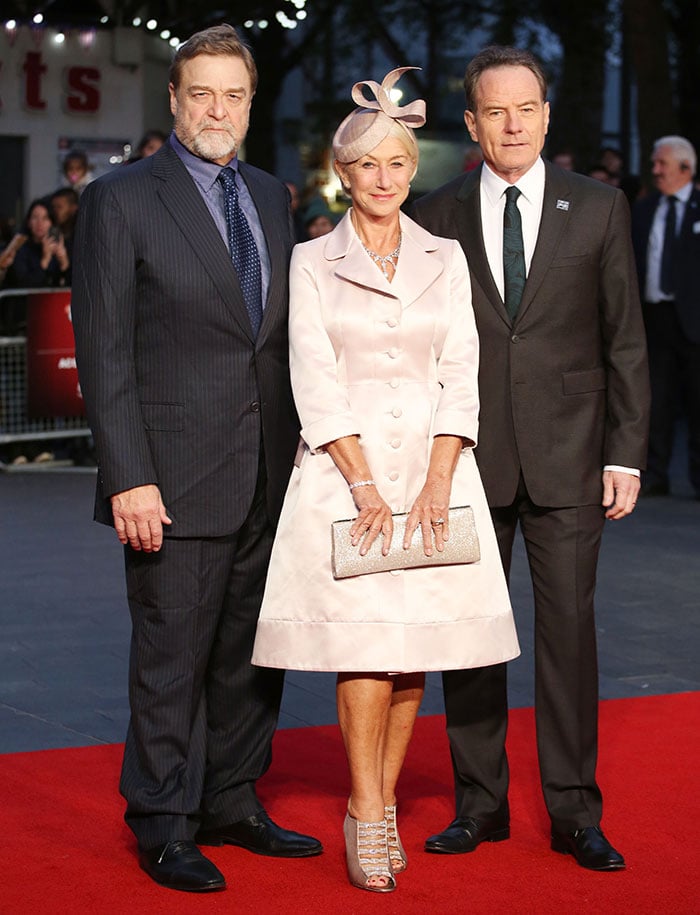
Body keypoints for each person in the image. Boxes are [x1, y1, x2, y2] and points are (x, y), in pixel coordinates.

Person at [252, 67, 519, 894]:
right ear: (344, 172)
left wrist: (440, 478)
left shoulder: (446, 256)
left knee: (413, 655)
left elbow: (462, 370)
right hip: (346, 476)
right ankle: (368, 811)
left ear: (413, 168)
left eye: (397, 163)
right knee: (365, 650)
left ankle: (383, 800)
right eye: (366, 164)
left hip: (438, 475)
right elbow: (314, 377)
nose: (383, 178)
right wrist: (369, 487)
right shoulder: (308, 260)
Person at [71, 24, 321, 894]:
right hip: (169, 477)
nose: (219, 109)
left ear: (251, 105)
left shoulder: (270, 194)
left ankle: (232, 798)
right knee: (172, 655)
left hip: (267, 470)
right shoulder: (122, 198)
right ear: (174, 100)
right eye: (201, 93)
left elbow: (278, 338)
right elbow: (104, 352)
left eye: (235, 95)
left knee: (254, 654)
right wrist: (129, 473)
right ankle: (166, 821)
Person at [412, 45, 649, 871]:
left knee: (568, 637)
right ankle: (480, 804)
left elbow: (625, 340)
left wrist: (625, 453)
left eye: (528, 108)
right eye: (495, 111)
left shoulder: (600, 207)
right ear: (472, 123)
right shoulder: (435, 213)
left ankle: (575, 811)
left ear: (547, 115)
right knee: (470, 637)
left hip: (573, 458)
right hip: (468, 457)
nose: (513, 124)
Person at [631, 135, 700, 498]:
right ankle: (655, 474)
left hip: (694, 322)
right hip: (654, 318)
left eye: (662, 164)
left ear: (686, 168)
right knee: (656, 400)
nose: (655, 170)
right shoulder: (644, 209)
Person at [0, 198, 69, 289]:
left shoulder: (58, 245)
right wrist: (44, 261)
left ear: (52, 223)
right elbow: (23, 284)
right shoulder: (20, 247)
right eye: (35, 217)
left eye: (45, 218)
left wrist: (64, 263)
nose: (40, 223)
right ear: (28, 222)